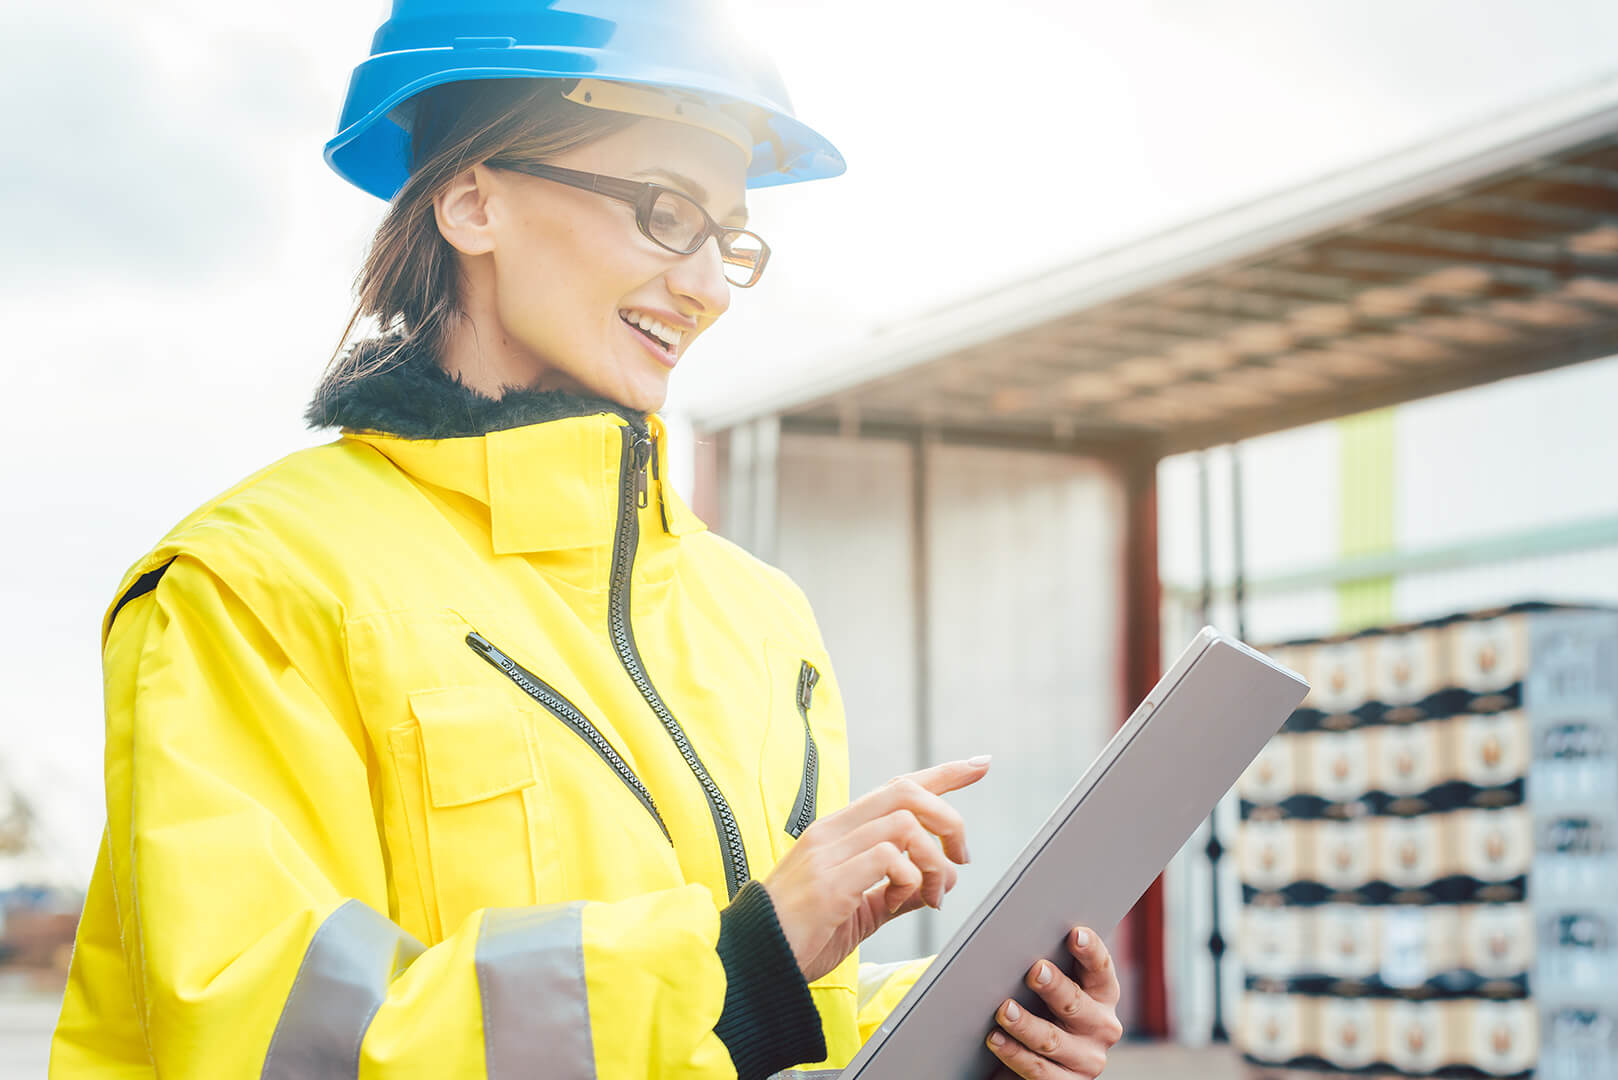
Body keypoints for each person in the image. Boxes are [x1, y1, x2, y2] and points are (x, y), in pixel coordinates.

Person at [48, 2, 1125, 1077]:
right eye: (665, 212)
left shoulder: (759, 618)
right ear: (473, 200)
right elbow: (265, 1043)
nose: (707, 287)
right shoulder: (252, 586)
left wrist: (971, 1028)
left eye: (730, 239)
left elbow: (766, 1025)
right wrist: (738, 967)